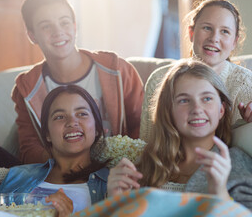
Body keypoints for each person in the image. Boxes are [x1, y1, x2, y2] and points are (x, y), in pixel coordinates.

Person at [12, 0, 144, 164]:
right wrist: (68, 162)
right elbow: (29, 150)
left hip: (121, 171)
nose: (57, 31)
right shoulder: (27, 89)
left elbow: (144, 127)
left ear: (75, 26)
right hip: (66, 178)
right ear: (32, 36)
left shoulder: (118, 71)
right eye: (46, 26)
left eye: (64, 22)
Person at [108, 60, 252, 210]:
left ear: (221, 110)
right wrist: (116, 201)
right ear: (168, 111)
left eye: (207, 98)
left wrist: (220, 193)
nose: (196, 109)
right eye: (184, 100)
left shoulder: (236, 163)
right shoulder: (148, 163)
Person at [0, 85, 110, 214]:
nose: (72, 122)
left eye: (82, 114)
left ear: (97, 128)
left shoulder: (111, 183)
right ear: (47, 134)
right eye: (59, 116)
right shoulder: (17, 176)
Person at [140, 0, 252, 142]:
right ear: (191, 33)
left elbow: (240, 151)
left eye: (225, 31)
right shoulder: (159, 79)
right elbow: (147, 144)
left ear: (234, 42)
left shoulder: (246, 85)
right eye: (207, 28)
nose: (214, 38)